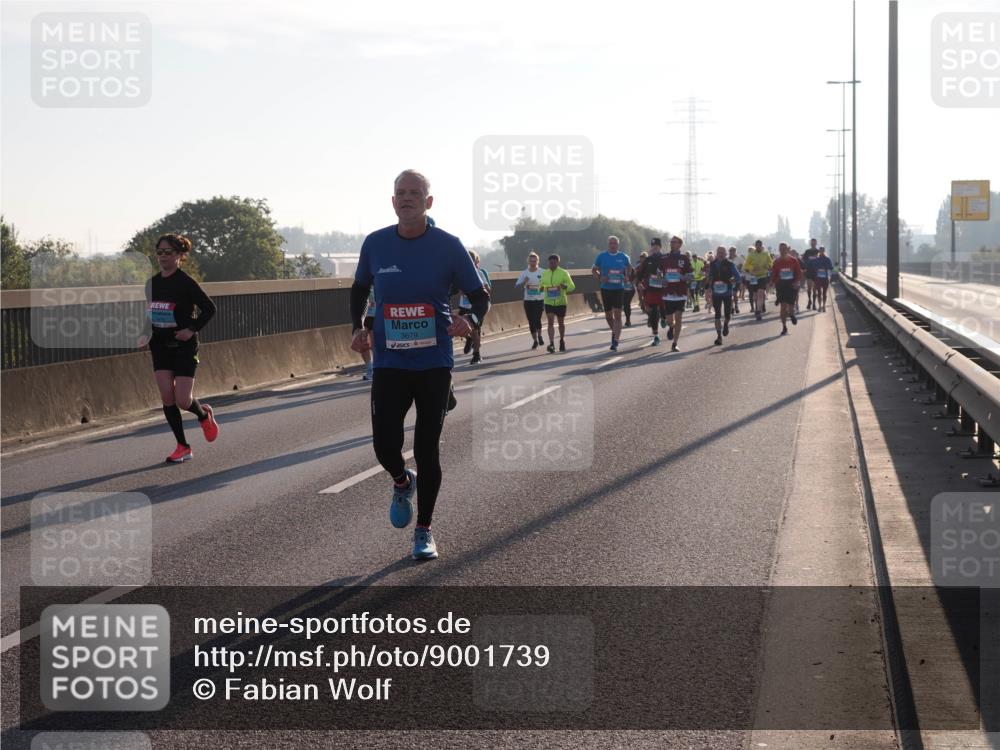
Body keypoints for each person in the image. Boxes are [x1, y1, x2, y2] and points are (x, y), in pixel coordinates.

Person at [350, 169, 490, 560]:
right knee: (384, 446)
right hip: (390, 362)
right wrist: (359, 327)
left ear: (429, 202)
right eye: (401, 193)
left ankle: (424, 530)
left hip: (434, 362)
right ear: (393, 202)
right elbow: (360, 287)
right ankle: (400, 480)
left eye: (415, 193)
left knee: (427, 447)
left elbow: (481, 295)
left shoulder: (448, 246)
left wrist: (470, 321)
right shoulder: (376, 244)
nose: (407, 198)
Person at [137, 233, 220, 463]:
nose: (163, 257)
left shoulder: (186, 282)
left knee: (183, 400)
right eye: (160, 252)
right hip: (160, 345)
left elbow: (210, 309)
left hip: (183, 345)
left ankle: (203, 415)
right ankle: (182, 446)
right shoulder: (151, 284)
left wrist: (191, 329)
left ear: (180, 256)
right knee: (167, 396)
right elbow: (150, 312)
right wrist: (145, 333)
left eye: (169, 253)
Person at [592, 235, 632, 351]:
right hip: (606, 289)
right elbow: (594, 270)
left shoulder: (623, 257)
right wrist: (600, 277)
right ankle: (615, 332)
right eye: (611, 243)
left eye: (615, 243)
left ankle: (615, 340)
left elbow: (629, 267)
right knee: (609, 317)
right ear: (608, 244)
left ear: (617, 245)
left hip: (618, 289)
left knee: (617, 316)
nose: (613, 245)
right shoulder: (602, 256)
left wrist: (627, 277)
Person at [458, 250, 492, 365]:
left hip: (477, 306)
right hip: (464, 305)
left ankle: (476, 354)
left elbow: (487, 289)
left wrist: (477, 290)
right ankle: (469, 339)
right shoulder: (459, 272)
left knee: (475, 330)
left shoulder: (479, 273)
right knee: (464, 330)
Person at [661, 236, 693, 352]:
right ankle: (671, 327)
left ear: (680, 244)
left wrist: (684, 277)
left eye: (674, 242)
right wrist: (661, 279)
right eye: (671, 242)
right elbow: (658, 273)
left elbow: (691, 275)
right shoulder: (664, 258)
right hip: (668, 293)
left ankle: (675, 343)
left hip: (680, 292)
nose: (671, 244)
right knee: (670, 320)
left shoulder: (684, 258)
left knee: (679, 318)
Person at [540, 253, 575, 353]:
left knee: (561, 323)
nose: (552, 264)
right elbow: (540, 285)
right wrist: (541, 288)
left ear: (558, 262)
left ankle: (562, 340)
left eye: (554, 263)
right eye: (550, 263)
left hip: (561, 302)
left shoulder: (564, 273)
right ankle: (551, 343)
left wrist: (565, 286)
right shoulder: (545, 273)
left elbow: (572, 286)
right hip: (549, 301)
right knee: (550, 321)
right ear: (548, 263)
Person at [634, 238, 667, 345]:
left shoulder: (665, 258)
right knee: (653, 314)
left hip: (663, 290)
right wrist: (638, 283)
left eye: (656, 246)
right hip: (651, 290)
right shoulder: (647, 260)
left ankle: (664, 318)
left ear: (660, 247)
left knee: (663, 311)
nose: (654, 248)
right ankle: (656, 336)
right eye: (652, 246)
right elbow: (639, 274)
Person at [706, 245, 740, 346]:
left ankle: (725, 324)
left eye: (722, 252)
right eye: (719, 252)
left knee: (727, 314)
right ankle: (719, 336)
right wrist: (708, 287)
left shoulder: (730, 264)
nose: (720, 254)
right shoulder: (712, 264)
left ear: (726, 254)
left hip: (727, 292)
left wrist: (732, 280)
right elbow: (710, 276)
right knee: (717, 314)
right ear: (717, 253)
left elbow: (738, 277)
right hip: (716, 292)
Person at [769, 242, 803, 335]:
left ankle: (791, 314)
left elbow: (798, 273)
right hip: (781, 286)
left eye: (784, 249)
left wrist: (797, 282)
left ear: (788, 249)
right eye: (781, 249)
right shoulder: (776, 262)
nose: (783, 250)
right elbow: (774, 274)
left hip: (791, 285)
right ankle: (784, 327)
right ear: (779, 250)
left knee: (791, 307)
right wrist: (772, 282)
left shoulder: (794, 260)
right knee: (783, 307)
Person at [514, 251, 546, 349]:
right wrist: (524, 282)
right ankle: (535, 340)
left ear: (538, 261)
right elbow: (516, 286)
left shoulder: (542, 272)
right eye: (531, 261)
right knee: (531, 321)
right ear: (528, 262)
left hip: (539, 299)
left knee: (537, 319)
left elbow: (547, 284)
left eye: (535, 261)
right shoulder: (524, 273)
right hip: (528, 300)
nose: (533, 263)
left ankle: (540, 336)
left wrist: (542, 288)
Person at [743, 240, 773, 320]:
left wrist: (768, 266)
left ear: (761, 246)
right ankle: (758, 307)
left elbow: (771, 263)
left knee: (760, 293)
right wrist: (752, 267)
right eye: (757, 245)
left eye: (760, 245)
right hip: (753, 277)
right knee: (755, 295)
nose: (758, 247)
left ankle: (758, 311)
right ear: (755, 246)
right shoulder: (751, 254)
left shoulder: (766, 254)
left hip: (762, 276)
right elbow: (745, 266)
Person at [813, 246, 834, 312]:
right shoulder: (816, 259)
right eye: (820, 250)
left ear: (824, 251)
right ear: (819, 251)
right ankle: (819, 306)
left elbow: (831, 267)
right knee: (819, 293)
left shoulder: (827, 259)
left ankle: (824, 306)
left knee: (824, 293)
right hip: (818, 278)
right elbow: (813, 268)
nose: (821, 251)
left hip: (825, 278)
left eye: (822, 250)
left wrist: (836, 267)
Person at [361, 287, 376, 380]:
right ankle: (370, 369)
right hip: (364, 317)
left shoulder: (379, 279)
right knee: (362, 342)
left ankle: (375, 369)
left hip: (376, 315)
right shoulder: (363, 282)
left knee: (374, 344)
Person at [802, 238, 820, 310]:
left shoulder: (818, 251)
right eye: (812, 243)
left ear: (816, 243)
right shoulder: (807, 251)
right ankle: (809, 301)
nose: (813, 244)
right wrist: (805, 267)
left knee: (814, 289)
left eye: (814, 243)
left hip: (816, 272)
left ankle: (814, 304)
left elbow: (821, 260)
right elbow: (804, 260)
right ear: (810, 243)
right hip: (809, 272)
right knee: (809, 288)